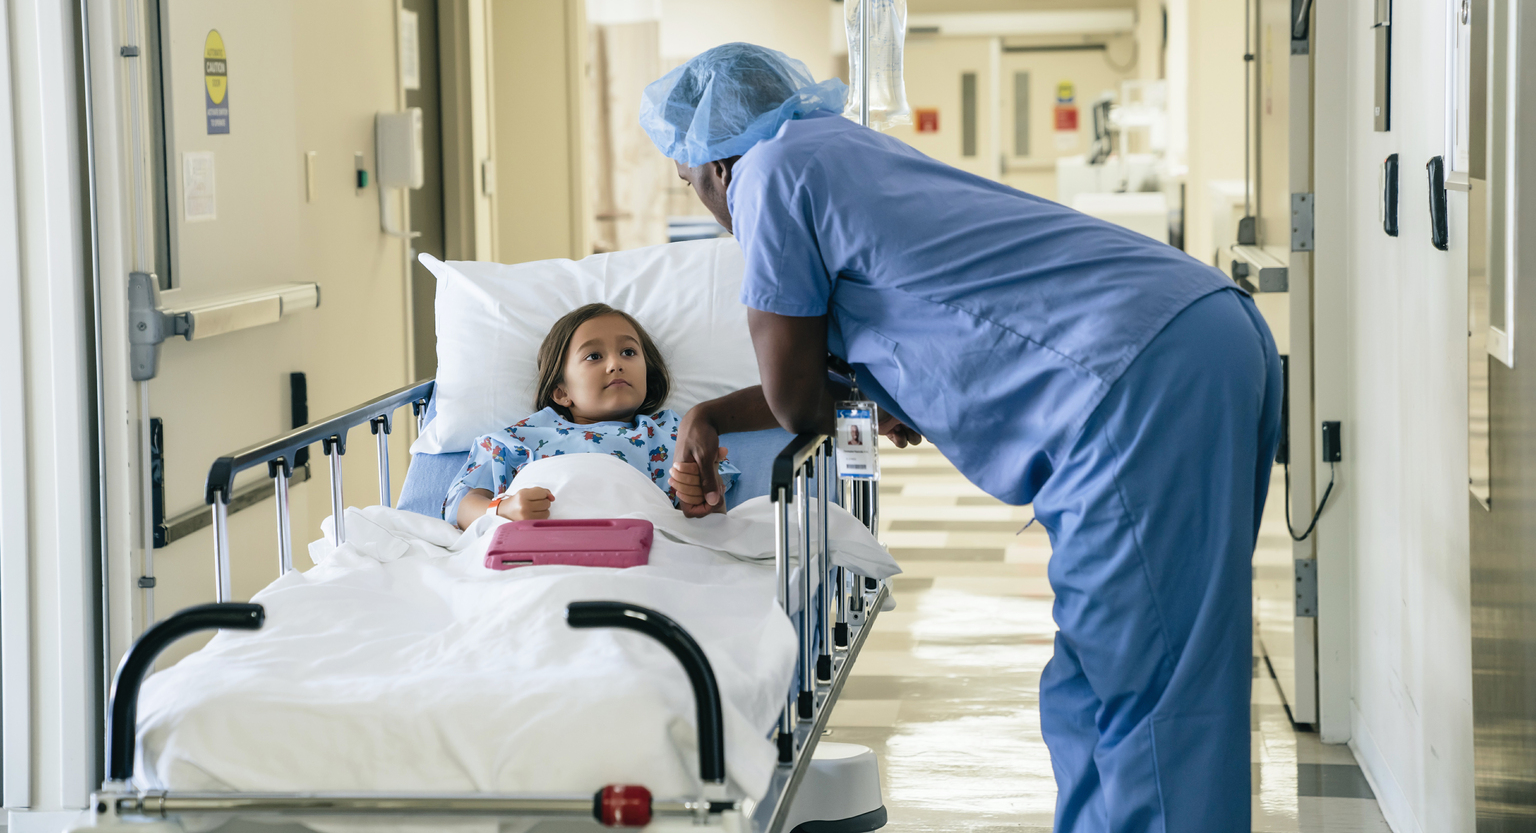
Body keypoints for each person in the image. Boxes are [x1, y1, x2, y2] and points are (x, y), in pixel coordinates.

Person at [646, 42, 1283, 832]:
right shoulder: (837, 147)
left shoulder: (767, 178)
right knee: (1098, 677)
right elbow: (902, 316)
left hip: (1130, 378)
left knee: (1150, 689)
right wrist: (719, 415)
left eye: (689, 180)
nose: (708, 204)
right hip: (1194, 333)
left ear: (714, 163)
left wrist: (844, 402)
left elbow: (795, 395)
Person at [442, 303, 738, 528]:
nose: (615, 364)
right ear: (561, 392)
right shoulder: (517, 440)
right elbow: (460, 508)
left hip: (640, 546)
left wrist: (703, 491)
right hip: (539, 550)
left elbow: (707, 520)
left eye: (629, 353)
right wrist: (503, 510)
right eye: (594, 356)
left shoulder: (671, 433)